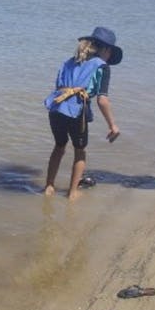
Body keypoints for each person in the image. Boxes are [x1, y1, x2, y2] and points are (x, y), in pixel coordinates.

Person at [43, 27, 121, 200]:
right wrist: (112, 125)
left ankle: (49, 186)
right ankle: (72, 193)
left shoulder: (69, 61)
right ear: (107, 50)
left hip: (56, 108)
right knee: (80, 151)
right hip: (76, 112)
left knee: (59, 146)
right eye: (110, 53)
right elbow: (102, 100)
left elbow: (59, 86)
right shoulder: (102, 67)